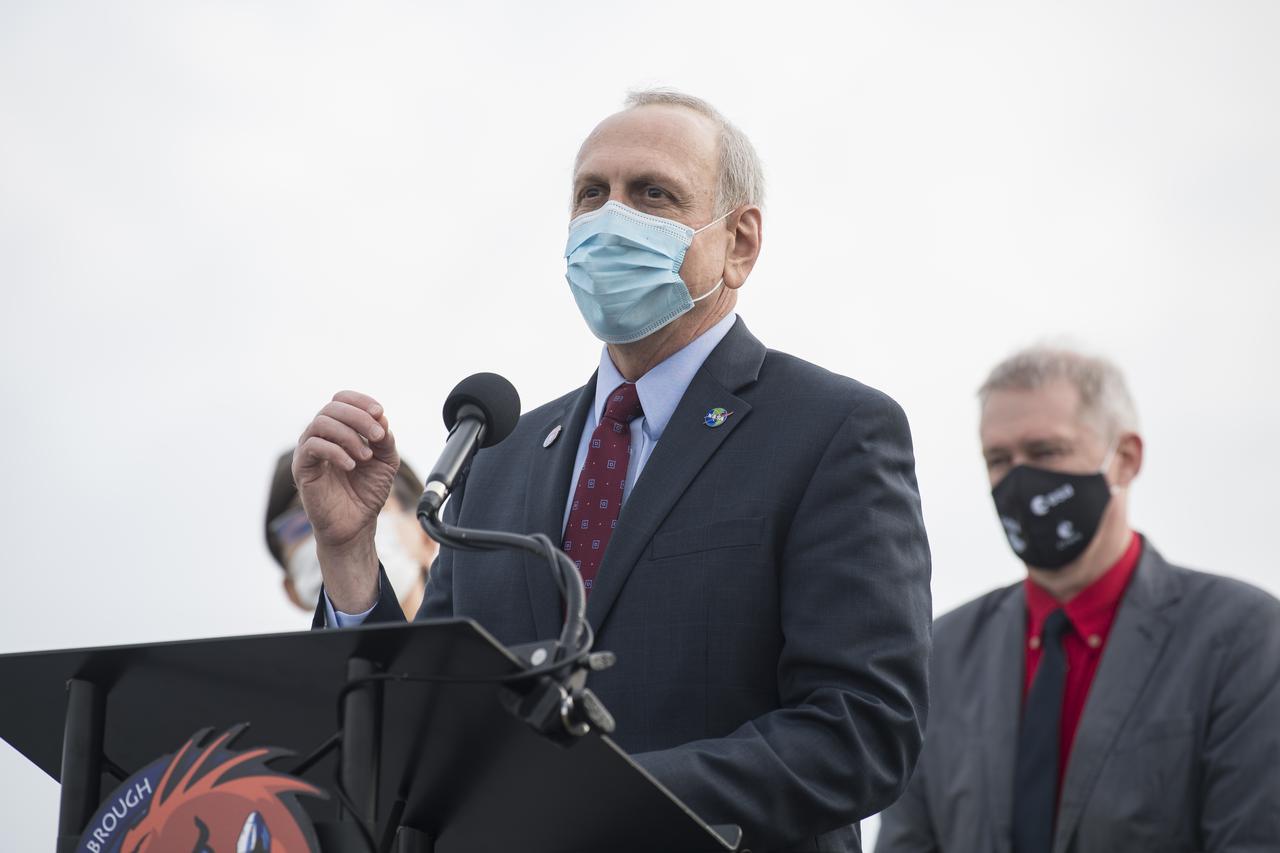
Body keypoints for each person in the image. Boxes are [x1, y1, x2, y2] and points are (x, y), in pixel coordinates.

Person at [292, 89, 933, 852]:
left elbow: (862, 729)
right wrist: (347, 555)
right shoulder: (494, 456)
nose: (609, 219)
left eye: (651, 194)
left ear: (740, 241)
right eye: (591, 195)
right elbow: (420, 725)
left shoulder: (830, 431)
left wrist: (601, 797)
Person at [876, 346, 1280, 853]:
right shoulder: (943, 652)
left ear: (1126, 459)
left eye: (1046, 451)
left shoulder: (1239, 637)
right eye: (998, 460)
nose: (1019, 480)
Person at [264, 449, 436, 619]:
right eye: (300, 525)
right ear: (292, 590)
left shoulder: (462, 643)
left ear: (426, 537)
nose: (336, 527)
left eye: (366, 499)